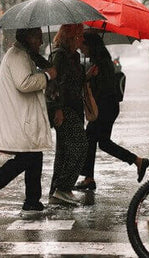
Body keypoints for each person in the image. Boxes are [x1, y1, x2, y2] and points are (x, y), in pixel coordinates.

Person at [0, 27, 57, 213]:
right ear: (28, 37)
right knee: (26, 157)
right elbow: (24, 83)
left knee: (34, 155)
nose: (41, 42)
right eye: (38, 38)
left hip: (22, 115)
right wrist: (48, 76)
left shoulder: (24, 54)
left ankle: (32, 201)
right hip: (19, 117)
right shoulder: (18, 55)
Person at [75, 32, 149, 191]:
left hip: (105, 107)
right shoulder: (100, 61)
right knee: (100, 142)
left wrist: (90, 79)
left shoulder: (101, 63)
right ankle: (137, 161)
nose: (81, 49)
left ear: (91, 45)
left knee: (93, 140)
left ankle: (90, 178)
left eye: (83, 45)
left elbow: (103, 89)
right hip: (107, 107)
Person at [47, 23, 88, 205]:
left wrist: (87, 76)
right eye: (79, 35)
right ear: (70, 37)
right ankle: (63, 187)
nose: (82, 39)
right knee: (80, 145)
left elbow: (73, 81)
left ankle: (56, 191)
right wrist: (57, 109)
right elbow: (53, 84)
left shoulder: (74, 56)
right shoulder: (58, 56)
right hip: (64, 109)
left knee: (64, 150)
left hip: (75, 107)